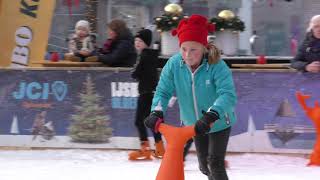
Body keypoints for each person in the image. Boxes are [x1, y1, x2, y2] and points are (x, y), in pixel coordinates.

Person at [144, 14, 237, 180]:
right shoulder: (174, 64)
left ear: (203, 47)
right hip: (193, 124)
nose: (187, 54)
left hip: (219, 121)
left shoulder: (216, 65)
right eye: (184, 49)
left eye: (193, 49)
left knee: (215, 162)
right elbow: (163, 91)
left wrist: (212, 114)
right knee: (204, 165)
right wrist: (156, 112)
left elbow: (227, 95)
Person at [128, 28, 165, 160]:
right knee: (153, 121)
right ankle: (159, 148)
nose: (137, 43)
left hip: (146, 93)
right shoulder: (151, 55)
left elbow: (134, 73)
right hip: (152, 93)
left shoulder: (144, 55)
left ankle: (145, 149)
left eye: (140, 41)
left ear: (146, 43)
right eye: (135, 40)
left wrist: (136, 70)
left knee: (139, 121)